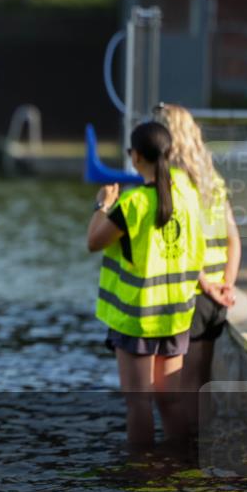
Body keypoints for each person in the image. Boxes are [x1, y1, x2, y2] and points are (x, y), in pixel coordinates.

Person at [87, 122, 207, 449]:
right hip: (175, 315)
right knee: (170, 400)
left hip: (137, 318)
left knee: (138, 402)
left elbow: (94, 242)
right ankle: (178, 466)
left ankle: (141, 477)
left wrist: (103, 203)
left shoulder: (134, 204)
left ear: (136, 155)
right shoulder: (187, 191)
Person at [154, 104, 242, 396]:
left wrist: (205, 285)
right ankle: (200, 440)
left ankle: (185, 442)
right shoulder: (212, 180)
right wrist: (227, 284)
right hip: (217, 296)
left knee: (185, 385)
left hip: (194, 291)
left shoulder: (174, 182)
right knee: (202, 381)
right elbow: (234, 239)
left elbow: (182, 245)